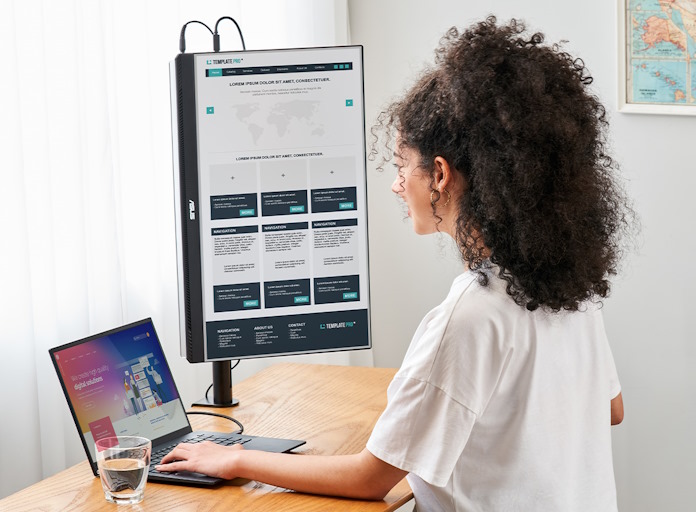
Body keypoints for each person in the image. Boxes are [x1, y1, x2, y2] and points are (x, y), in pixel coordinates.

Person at [158, 17, 632, 510]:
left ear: (441, 175)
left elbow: (369, 478)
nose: (397, 183)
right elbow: (611, 409)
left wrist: (233, 460)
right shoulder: (564, 285)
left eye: (403, 164)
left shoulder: (470, 316)